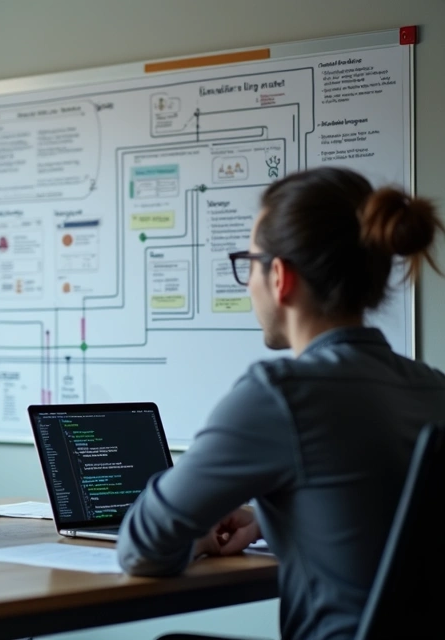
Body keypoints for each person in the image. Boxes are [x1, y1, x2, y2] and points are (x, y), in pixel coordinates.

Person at [117, 166, 445, 640]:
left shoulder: (282, 394)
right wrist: (275, 520)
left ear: (279, 276)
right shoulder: (434, 390)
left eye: (248, 263)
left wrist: (200, 536)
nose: (246, 283)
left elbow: (143, 547)